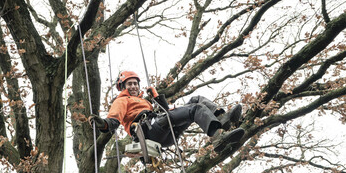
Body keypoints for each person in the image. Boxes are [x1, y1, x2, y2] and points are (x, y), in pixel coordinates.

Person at [91, 71, 244, 149]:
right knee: (195, 109)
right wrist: (103, 124)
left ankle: (223, 118)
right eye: (129, 84)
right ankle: (218, 138)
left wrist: (156, 96)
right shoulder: (122, 100)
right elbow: (114, 119)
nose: (133, 87)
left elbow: (167, 112)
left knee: (196, 100)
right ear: (123, 87)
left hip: (165, 131)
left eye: (135, 84)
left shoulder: (144, 101)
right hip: (149, 131)